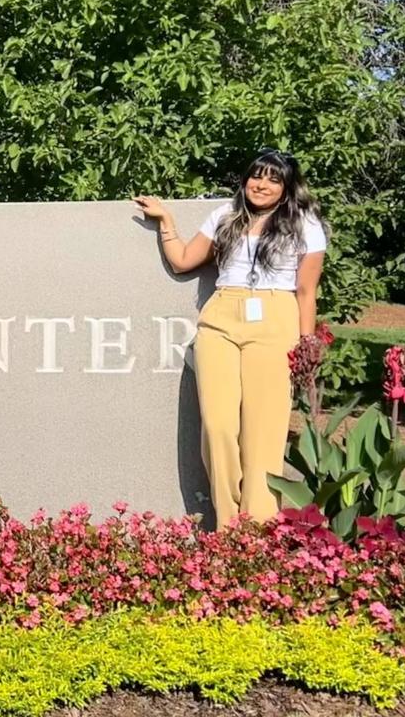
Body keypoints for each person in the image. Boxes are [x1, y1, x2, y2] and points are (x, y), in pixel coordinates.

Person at [133, 148, 328, 526]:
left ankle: (257, 527)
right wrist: (166, 222)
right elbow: (185, 260)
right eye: (257, 175)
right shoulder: (225, 215)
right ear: (245, 178)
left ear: (287, 188)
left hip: (276, 318)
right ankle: (227, 528)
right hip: (222, 317)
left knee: (263, 429)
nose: (262, 184)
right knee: (218, 425)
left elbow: (306, 292)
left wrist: (307, 344)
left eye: (274, 179)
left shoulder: (305, 223)